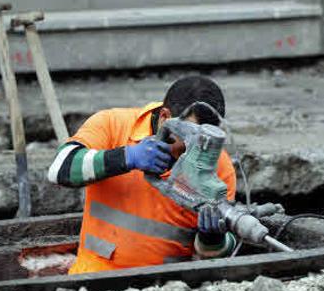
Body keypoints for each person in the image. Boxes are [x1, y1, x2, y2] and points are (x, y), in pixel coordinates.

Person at [48, 76, 237, 274]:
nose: (193, 155)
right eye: (186, 144)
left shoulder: (218, 167)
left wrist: (212, 240)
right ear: (165, 118)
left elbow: (212, 262)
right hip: (95, 278)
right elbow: (59, 169)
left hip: (169, 289)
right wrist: (125, 157)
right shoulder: (113, 125)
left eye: (202, 146)